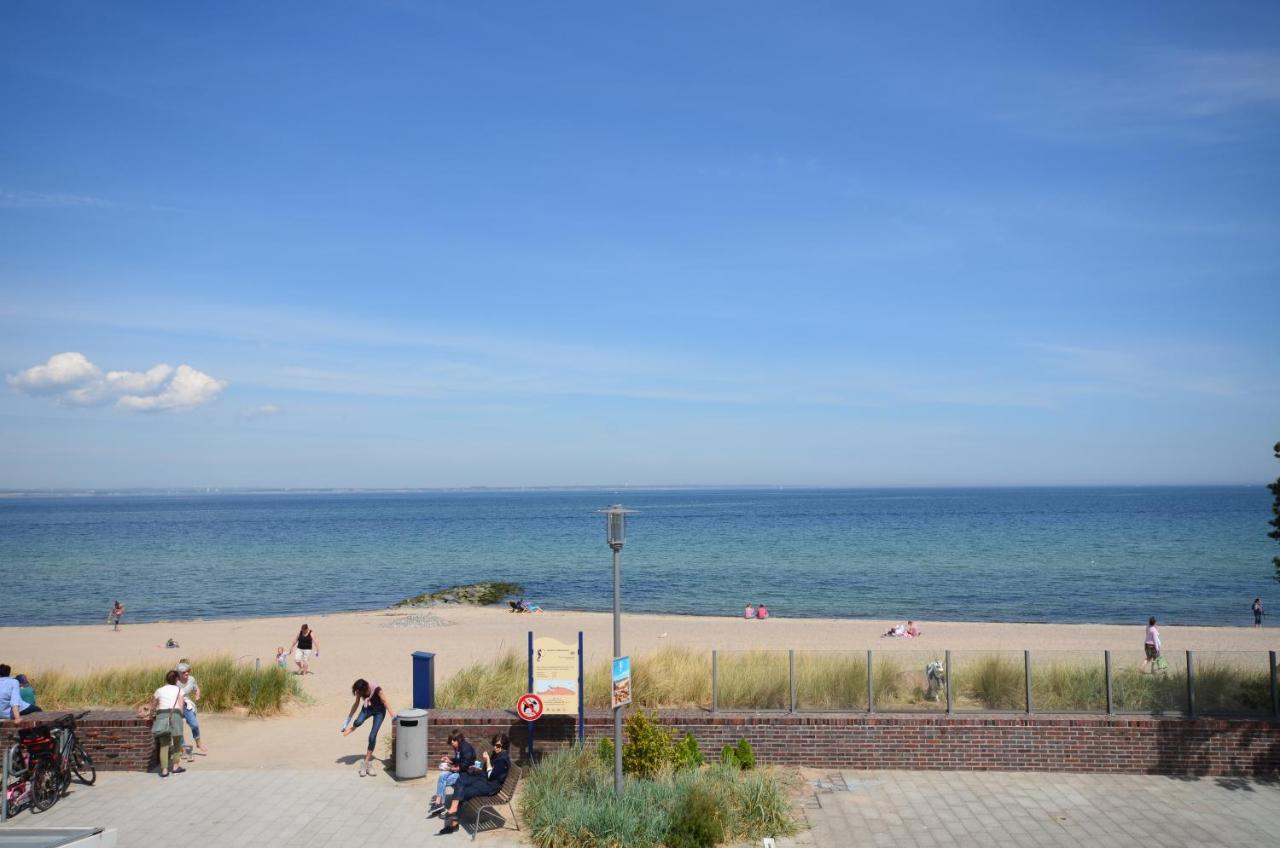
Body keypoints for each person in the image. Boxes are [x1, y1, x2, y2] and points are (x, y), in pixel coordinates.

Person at [436, 732, 511, 836]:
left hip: (490, 786)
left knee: (463, 791)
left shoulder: (503, 760)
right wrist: (478, 768)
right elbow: (487, 771)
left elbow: (491, 776)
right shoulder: (497, 754)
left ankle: (453, 823)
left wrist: (488, 760)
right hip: (483, 779)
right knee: (461, 780)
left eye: (498, 745)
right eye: (494, 744)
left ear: (504, 746)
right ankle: (453, 812)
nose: (495, 747)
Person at [342, 678, 393, 777]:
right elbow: (356, 704)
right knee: (358, 721)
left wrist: (393, 716)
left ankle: (366, 763)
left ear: (365, 689)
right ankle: (354, 727)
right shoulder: (360, 691)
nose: (359, 694)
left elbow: (385, 702)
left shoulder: (377, 689)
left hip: (379, 711)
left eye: (360, 693)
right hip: (368, 708)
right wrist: (348, 719)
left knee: (372, 736)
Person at [428, 729, 477, 818]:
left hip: (465, 774)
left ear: (457, 740)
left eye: (452, 742)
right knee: (442, 776)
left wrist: (450, 768)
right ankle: (439, 803)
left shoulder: (466, 749)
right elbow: (458, 761)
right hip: (459, 770)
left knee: (444, 781)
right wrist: (449, 760)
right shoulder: (457, 747)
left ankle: (439, 804)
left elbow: (463, 767)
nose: (452, 745)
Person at [151, 669, 187, 777]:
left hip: (162, 715)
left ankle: (164, 770)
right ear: (176, 679)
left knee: (164, 744)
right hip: (175, 715)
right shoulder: (179, 690)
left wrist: (152, 714)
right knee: (177, 743)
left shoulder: (159, 690)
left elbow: (153, 705)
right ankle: (175, 767)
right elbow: (181, 707)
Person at [176, 662, 208, 754]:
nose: (186, 673)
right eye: (183, 672)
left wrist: (197, 695)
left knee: (194, 725)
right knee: (179, 727)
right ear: (178, 673)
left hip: (187, 705)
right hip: (176, 705)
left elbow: (196, 688)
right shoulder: (174, 681)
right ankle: (182, 747)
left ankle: (198, 743)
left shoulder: (191, 679)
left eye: (188, 671)